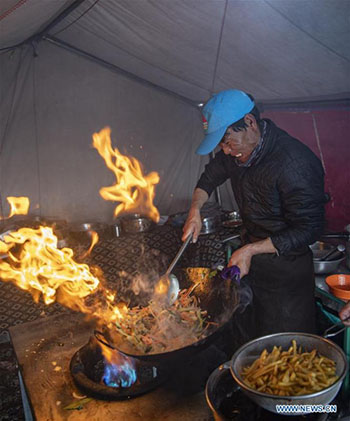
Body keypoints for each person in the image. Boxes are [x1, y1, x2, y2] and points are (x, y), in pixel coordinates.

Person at [182, 89, 326, 349]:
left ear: (249, 122)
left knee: (286, 351)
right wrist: (195, 210)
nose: (225, 151)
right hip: (253, 264)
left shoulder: (294, 162)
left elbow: (310, 229)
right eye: (221, 145)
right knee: (249, 339)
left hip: (287, 274)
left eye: (227, 142)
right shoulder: (235, 152)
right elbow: (209, 177)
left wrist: (251, 249)